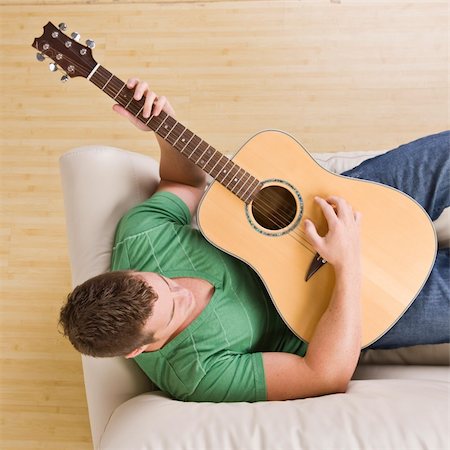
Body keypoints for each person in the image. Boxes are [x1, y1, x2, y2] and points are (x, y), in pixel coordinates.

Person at [59, 78, 450, 402]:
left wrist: (165, 128)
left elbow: (184, 182)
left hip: (329, 211)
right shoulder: (196, 374)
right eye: (176, 310)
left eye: (167, 283)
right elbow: (323, 375)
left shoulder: (141, 237)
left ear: (130, 270)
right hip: (356, 304)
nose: (185, 293)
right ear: (139, 350)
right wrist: (347, 266)